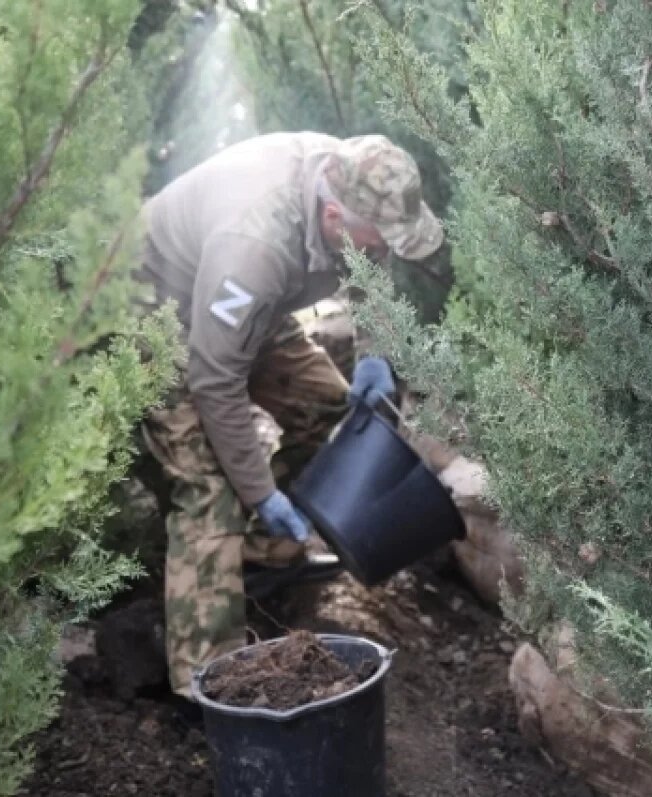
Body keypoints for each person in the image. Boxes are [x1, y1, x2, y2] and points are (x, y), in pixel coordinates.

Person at [134, 131, 444, 699]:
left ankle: (258, 552)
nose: (386, 251)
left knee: (328, 409)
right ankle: (206, 688)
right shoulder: (254, 244)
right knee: (209, 492)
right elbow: (214, 380)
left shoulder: (356, 170)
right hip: (156, 320)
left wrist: (374, 352)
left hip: (243, 308)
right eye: (380, 239)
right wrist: (259, 493)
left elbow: (370, 265)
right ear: (334, 216)